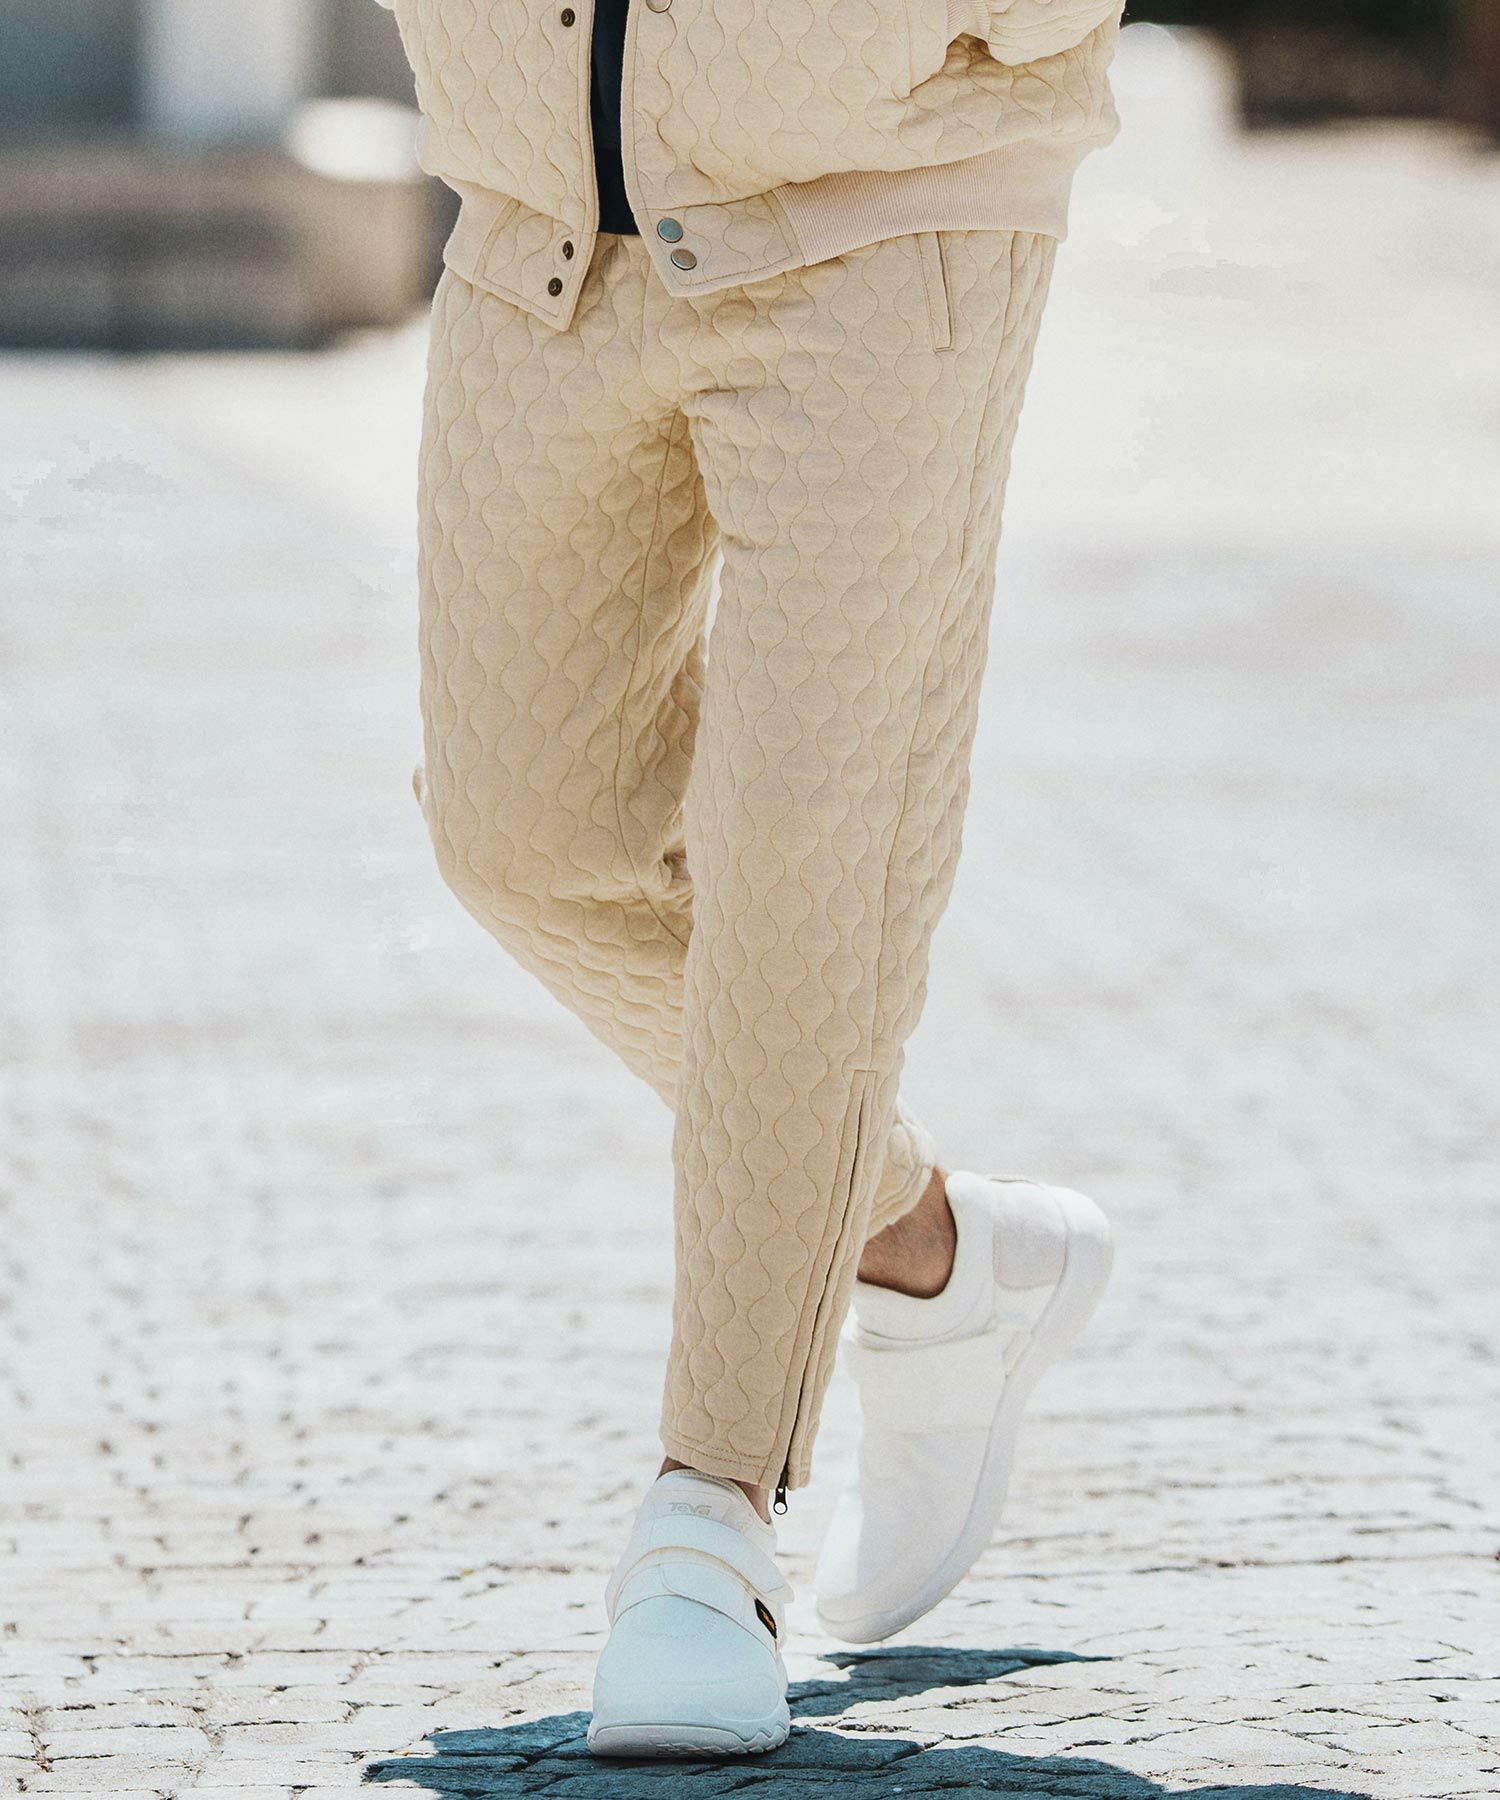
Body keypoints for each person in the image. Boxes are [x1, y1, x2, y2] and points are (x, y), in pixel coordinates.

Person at [378, 0, 1125, 1758]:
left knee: (807, 866)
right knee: (523, 842)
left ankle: (706, 1526)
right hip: (539, 221)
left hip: (879, 207)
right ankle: (927, 1244)